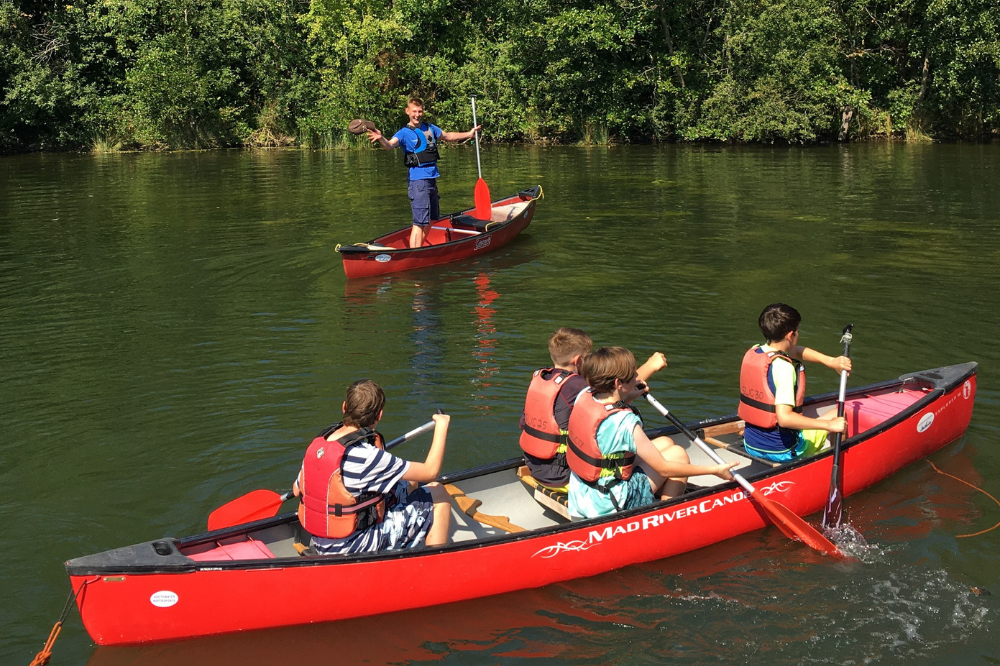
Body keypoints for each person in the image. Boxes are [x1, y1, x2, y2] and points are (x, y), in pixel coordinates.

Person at [566, 347, 737, 519]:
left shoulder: (585, 395)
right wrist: (714, 470)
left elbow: (608, 405)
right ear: (618, 384)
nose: (636, 377)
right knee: (678, 454)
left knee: (665, 442)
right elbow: (664, 468)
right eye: (633, 375)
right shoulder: (625, 422)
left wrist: (628, 395)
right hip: (608, 504)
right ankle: (666, 516)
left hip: (582, 494)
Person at [292, 379, 452, 554]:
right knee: (438, 494)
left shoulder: (318, 446)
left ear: (344, 407)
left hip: (321, 542)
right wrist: (442, 426)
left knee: (410, 481)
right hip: (354, 545)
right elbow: (430, 471)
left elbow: (296, 490)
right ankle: (434, 565)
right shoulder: (368, 456)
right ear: (379, 415)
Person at [520, 328, 674, 492]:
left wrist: (628, 398)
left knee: (666, 442)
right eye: (588, 357)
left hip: (537, 468)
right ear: (578, 361)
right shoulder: (577, 386)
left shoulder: (544, 377)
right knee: (671, 454)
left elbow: (608, 400)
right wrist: (650, 366)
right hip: (568, 476)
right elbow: (617, 383)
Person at [739, 303, 852, 462]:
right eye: (798, 331)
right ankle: (838, 464)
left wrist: (831, 361)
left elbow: (796, 351)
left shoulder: (756, 351)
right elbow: (785, 419)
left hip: (751, 443)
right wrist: (829, 426)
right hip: (782, 450)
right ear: (790, 335)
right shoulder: (784, 368)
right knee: (838, 415)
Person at [367, 98, 481, 249]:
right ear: (407, 112)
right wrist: (381, 138)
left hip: (432, 179)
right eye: (414, 111)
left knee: (433, 219)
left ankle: (419, 249)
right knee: (419, 222)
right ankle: (415, 253)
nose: (417, 114)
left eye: (420, 111)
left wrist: (469, 134)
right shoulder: (404, 133)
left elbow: (448, 136)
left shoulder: (430, 128)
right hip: (418, 182)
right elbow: (389, 145)